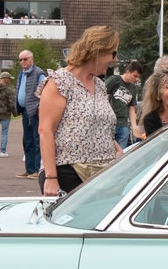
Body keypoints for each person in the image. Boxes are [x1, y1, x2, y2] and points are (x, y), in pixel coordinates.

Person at [39, 25, 123, 198]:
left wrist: (115, 147)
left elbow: (99, 124)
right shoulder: (60, 81)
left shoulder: (99, 85)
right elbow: (45, 130)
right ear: (97, 51)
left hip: (103, 175)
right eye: (113, 53)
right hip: (68, 172)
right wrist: (51, 177)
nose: (115, 60)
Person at [15, 50, 47, 179]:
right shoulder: (21, 74)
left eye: (25, 59)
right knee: (27, 141)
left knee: (37, 140)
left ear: (31, 59)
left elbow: (45, 92)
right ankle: (29, 169)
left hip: (35, 111)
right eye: (21, 60)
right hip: (25, 111)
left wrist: (39, 107)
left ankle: (37, 169)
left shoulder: (39, 73)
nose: (23, 62)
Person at [106, 60, 143, 147]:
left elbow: (132, 108)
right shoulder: (114, 80)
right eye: (135, 76)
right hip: (110, 122)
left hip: (123, 124)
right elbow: (101, 93)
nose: (136, 79)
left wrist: (134, 127)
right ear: (127, 72)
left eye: (138, 77)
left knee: (121, 152)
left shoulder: (133, 88)